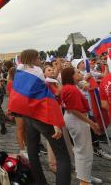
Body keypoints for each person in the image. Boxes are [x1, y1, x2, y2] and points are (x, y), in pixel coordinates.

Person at [9, 49, 71, 185]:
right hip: (41, 117)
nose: (40, 60)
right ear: (32, 59)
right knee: (62, 156)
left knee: (32, 151)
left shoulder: (19, 71)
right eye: (38, 58)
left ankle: (40, 182)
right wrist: (56, 122)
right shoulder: (37, 72)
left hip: (28, 115)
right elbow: (47, 98)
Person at [61, 67, 103, 185]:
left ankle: (85, 176)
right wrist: (92, 124)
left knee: (82, 150)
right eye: (77, 72)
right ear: (71, 76)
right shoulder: (71, 89)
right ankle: (84, 181)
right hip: (76, 119)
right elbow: (74, 110)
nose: (80, 74)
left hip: (75, 119)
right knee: (84, 151)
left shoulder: (70, 87)